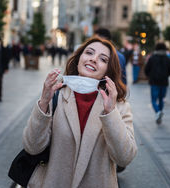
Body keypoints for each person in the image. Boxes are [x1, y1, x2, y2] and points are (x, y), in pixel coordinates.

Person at [22, 37, 137, 188]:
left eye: (103, 59)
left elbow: (124, 157)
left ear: (108, 71)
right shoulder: (56, 95)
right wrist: (43, 102)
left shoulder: (119, 105)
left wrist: (110, 113)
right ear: (79, 58)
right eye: (89, 53)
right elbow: (32, 147)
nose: (94, 59)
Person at [144, 42, 170, 124]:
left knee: (153, 99)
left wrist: (149, 75)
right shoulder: (168, 59)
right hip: (164, 82)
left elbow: (146, 70)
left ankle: (157, 112)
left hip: (154, 82)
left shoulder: (152, 58)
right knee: (161, 99)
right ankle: (159, 112)